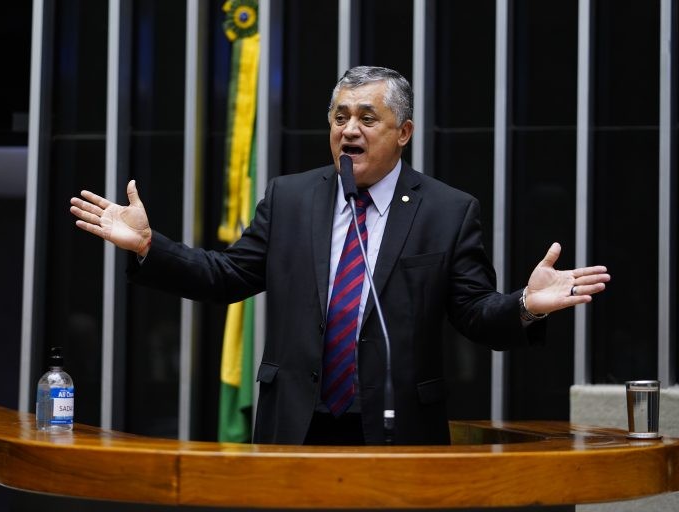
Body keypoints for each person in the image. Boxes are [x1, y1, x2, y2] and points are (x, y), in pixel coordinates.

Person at [70, 66, 610, 446]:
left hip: (397, 429)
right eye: (339, 117)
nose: (348, 130)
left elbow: (473, 314)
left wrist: (526, 305)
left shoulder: (447, 211)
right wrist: (148, 246)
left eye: (367, 118)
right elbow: (227, 276)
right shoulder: (291, 197)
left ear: (403, 133)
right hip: (297, 424)